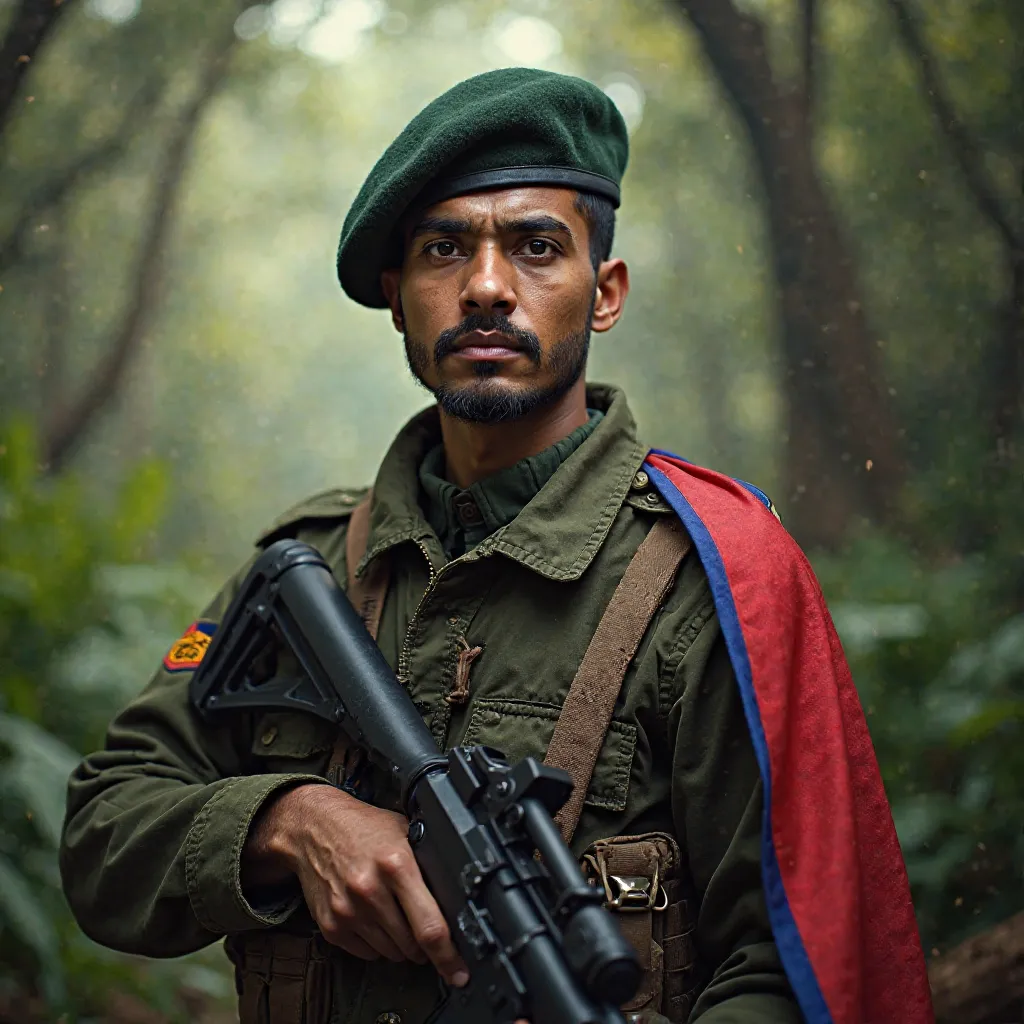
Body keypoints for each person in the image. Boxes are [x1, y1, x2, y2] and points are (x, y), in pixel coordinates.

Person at [60, 68, 933, 1024]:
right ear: (397, 297)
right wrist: (286, 823)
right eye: (444, 249)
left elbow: (796, 965)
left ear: (604, 293)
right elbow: (106, 828)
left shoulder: (719, 579)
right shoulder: (309, 561)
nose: (485, 286)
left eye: (536, 247)